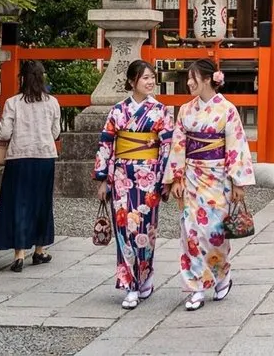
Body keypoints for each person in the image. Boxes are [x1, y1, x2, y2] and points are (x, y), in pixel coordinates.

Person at [163, 59, 254, 310]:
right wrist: (176, 178)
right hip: (192, 176)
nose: (189, 82)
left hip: (218, 177)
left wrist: (238, 182)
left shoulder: (226, 110)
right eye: (188, 78)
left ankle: (221, 276)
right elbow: (179, 145)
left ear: (207, 79)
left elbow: (236, 145)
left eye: (193, 77)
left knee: (214, 233)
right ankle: (195, 288)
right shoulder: (185, 110)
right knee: (191, 233)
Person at [94, 60, 175, 309]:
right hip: (121, 175)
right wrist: (102, 179)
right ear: (132, 81)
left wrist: (165, 180)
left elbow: (167, 146)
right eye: (145, 78)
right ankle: (129, 284)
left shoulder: (160, 111)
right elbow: (107, 144)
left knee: (145, 230)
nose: (150, 82)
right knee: (123, 230)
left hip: (149, 176)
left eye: (152, 77)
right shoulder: (118, 111)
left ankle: (146, 275)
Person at [0, 59, 61, 271]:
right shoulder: (52, 102)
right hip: (44, 157)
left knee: (19, 203)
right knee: (41, 203)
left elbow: (4, 134)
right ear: (42, 78)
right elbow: (55, 133)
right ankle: (39, 250)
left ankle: (19, 254)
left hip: (19, 157)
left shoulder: (13, 103)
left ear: (22, 78)